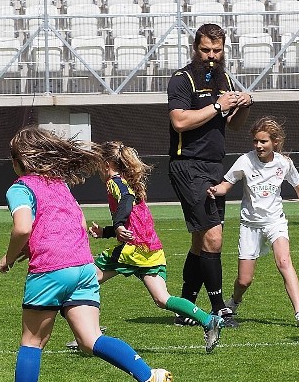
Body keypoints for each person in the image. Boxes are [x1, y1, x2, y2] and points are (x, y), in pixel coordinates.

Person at [0, 126, 172, 382]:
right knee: (90, 339)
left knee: (32, 342)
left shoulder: (19, 187)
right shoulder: (59, 184)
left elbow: (22, 228)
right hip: (83, 267)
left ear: (20, 160)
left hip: (50, 271)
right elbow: (70, 220)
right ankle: (149, 377)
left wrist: (9, 256)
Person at [77, 141, 225, 353]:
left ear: (107, 164)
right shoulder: (129, 183)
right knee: (163, 299)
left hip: (132, 250)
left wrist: (117, 226)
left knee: (85, 279)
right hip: (149, 249)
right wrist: (107, 231)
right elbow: (134, 221)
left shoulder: (115, 183)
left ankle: (88, 334)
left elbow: (126, 203)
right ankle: (208, 320)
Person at [167, 22, 252, 328]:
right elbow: (179, 121)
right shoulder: (182, 79)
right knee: (213, 238)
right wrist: (218, 105)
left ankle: (185, 307)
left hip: (215, 166)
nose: (212, 56)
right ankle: (219, 310)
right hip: (188, 165)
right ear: (195, 48)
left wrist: (243, 105)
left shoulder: (223, 78)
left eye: (217, 50)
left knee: (200, 241)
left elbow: (235, 125)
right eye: (205, 50)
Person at [207, 116, 299, 328]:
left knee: (284, 262)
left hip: (275, 222)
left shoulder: (284, 164)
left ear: (274, 142)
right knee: (244, 280)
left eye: (263, 141)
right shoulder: (245, 161)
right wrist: (215, 190)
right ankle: (234, 301)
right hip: (250, 225)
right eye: (256, 141)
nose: (258, 145)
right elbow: (225, 185)